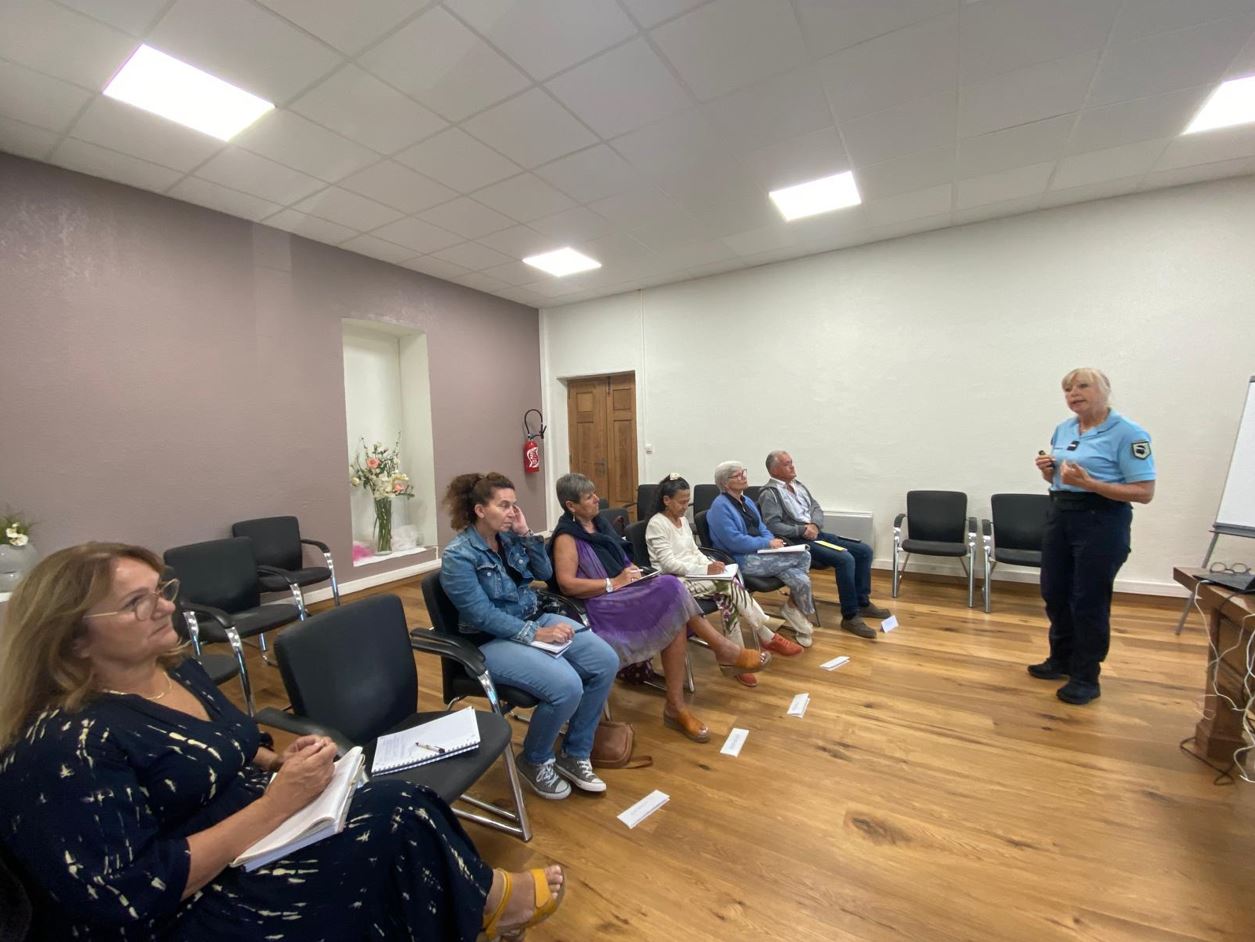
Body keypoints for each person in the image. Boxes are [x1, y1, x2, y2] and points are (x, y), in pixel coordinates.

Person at [0, 542, 564, 941]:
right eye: (136, 603)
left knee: (407, 802)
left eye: (161, 591)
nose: (168, 606)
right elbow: (130, 896)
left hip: (262, 830)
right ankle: (482, 902)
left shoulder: (176, 669)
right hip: (195, 904)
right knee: (393, 820)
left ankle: (480, 901)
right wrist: (278, 801)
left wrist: (277, 760)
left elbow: (234, 745)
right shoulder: (65, 745)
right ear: (73, 640)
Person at [551, 473, 770, 743]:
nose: (597, 499)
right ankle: (719, 656)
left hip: (623, 593)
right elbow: (567, 584)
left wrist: (628, 569)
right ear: (571, 506)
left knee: (673, 610)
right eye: (589, 497)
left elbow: (621, 558)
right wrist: (613, 581)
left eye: (595, 493)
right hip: (601, 605)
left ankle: (679, 704)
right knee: (670, 587)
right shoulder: (566, 538)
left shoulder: (598, 525)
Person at [440, 472, 618, 801]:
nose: (512, 512)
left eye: (514, 505)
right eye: (504, 506)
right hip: (489, 641)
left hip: (533, 618)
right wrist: (538, 633)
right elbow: (482, 615)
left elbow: (545, 574)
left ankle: (575, 751)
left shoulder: (509, 538)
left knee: (606, 661)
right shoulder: (458, 556)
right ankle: (534, 759)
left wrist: (526, 534)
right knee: (567, 685)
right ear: (481, 510)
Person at [1030, 368, 1156, 705]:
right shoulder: (1065, 428)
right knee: (1054, 592)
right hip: (1061, 515)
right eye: (1068, 389)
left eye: (1083, 386)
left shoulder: (1129, 433)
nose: (1074, 393)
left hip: (1101, 520)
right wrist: (1049, 473)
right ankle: (1061, 659)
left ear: (1105, 390)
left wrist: (1091, 485)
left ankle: (1086, 676)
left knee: (1088, 599)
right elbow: (1061, 478)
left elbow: (1144, 492)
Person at [645, 473, 804, 688]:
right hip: (672, 582)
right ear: (666, 500)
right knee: (728, 584)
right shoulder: (657, 524)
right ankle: (766, 635)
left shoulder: (681, 520)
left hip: (695, 575)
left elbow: (694, 550)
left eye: (687, 501)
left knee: (727, 597)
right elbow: (668, 564)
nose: (685, 507)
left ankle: (735, 660)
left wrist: (711, 564)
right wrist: (704, 569)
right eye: (682, 502)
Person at [758, 450, 891, 639]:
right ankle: (850, 616)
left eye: (791, 462)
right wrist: (802, 530)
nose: (793, 466)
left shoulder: (799, 485)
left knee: (864, 551)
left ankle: (862, 603)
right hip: (797, 541)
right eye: (787, 464)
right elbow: (773, 525)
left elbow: (816, 508)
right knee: (844, 559)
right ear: (775, 470)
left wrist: (813, 525)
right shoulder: (769, 493)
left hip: (815, 533)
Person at [706, 460, 820, 647]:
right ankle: (796, 611)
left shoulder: (747, 500)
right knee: (804, 555)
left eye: (744, 471)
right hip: (741, 560)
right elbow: (734, 541)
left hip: (763, 555)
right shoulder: (719, 508)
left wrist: (770, 543)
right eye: (738, 475)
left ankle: (794, 611)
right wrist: (767, 542)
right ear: (726, 483)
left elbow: (762, 527)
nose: (744, 476)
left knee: (802, 580)